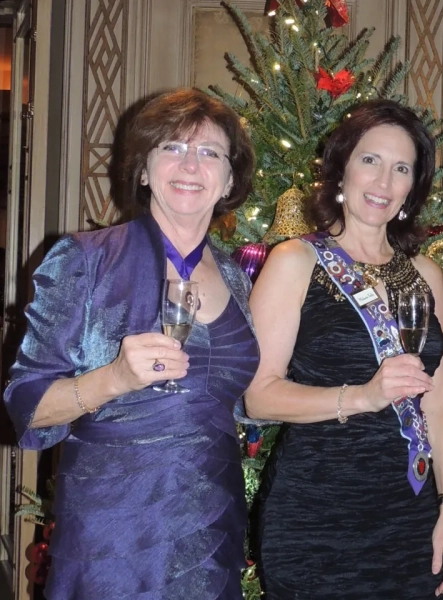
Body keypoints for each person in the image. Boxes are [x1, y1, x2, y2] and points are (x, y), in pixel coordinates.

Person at [4, 88, 259, 599]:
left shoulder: (236, 277)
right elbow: (25, 406)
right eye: (172, 147)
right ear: (143, 169)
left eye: (209, 152)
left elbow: (245, 404)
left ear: (230, 179)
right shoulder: (85, 259)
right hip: (115, 534)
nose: (191, 165)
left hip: (213, 527)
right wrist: (114, 379)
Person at [245, 99, 443, 598]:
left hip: (409, 514)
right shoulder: (295, 260)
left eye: (401, 168)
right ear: (341, 168)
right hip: (316, 514)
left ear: (413, 186)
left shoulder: (425, 274)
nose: (384, 181)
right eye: (370, 160)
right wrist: (363, 396)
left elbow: (441, 401)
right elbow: (258, 396)